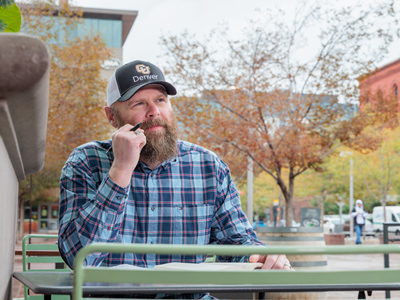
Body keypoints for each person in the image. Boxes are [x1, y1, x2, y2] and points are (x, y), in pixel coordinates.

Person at [58, 60, 292, 298]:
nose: (154, 112)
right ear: (111, 117)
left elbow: (236, 242)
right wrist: (120, 170)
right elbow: (77, 257)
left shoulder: (208, 166)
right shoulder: (85, 161)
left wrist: (260, 254)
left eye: (160, 100)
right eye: (139, 103)